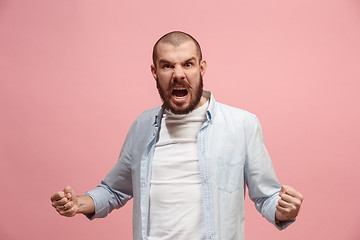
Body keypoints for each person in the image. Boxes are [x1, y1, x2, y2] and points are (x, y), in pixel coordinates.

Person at [51, 31, 303, 240]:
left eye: (187, 64)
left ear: (201, 68)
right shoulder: (141, 126)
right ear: (154, 71)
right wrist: (79, 203)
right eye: (167, 65)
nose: (178, 74)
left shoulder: (242, 125)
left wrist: (284, 210)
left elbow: (267, 196)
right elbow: (115, 190)